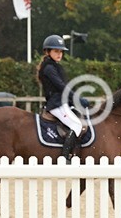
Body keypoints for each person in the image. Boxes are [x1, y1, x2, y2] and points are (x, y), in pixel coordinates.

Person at [37, 33, 86, 162]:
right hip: (56, 104)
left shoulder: (55, 66)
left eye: (61, 52)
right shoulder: (48, 68)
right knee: (77, 125)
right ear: (47, 52)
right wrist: (77, 98)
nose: (59, 54)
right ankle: (64, 157)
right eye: (56, 51)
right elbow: (61, 87)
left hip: (63, 102)